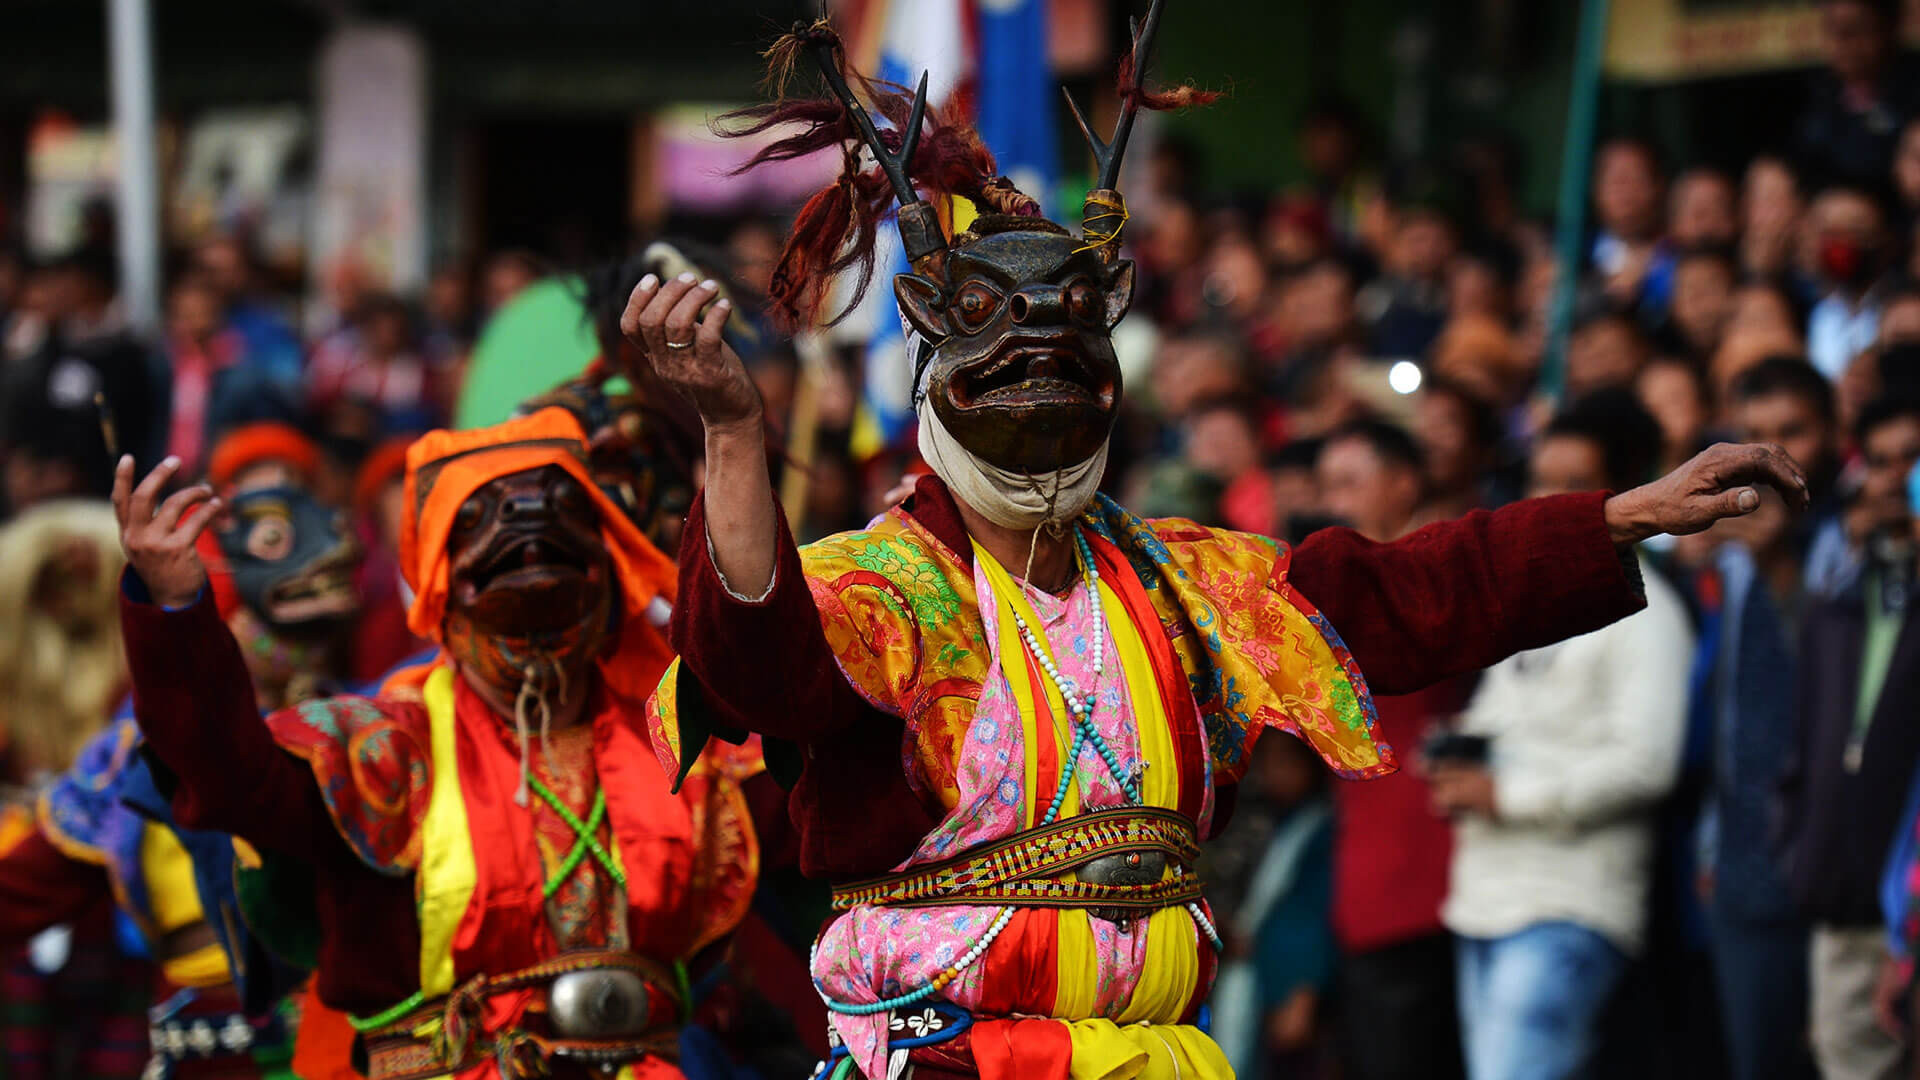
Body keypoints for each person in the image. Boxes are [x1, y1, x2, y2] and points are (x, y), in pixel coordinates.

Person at [633, 22, 1810, 1080]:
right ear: (935, 374)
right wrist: (735, 433)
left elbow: (1405, 596)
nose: (1045, 355)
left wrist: (1620, 516)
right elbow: (762, 668)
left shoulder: (1193, 581)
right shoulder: (879, 587)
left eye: (1075, 331)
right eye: (1002, 335)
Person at [111, 402, 767, 1080]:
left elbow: (812, 762)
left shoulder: (680, 744)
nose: (530, 543)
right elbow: (224, 775)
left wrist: (734, 435)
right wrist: (175, 610)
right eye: (484, 526)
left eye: (559, 535)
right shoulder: (378, 749)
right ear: (441, 582)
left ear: (606, 567)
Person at [1434, 391, 1694, 1080]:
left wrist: (1507, 794)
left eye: (1571, 484)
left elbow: (1648, 764)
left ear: (1626, 494)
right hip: (1483, 900)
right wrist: (1458, 755)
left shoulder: (1652, 616)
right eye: (1539, 479)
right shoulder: (1527, 605)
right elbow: (1498, 723)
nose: (1546, 499)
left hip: (1572, 904)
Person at [1315, 419, 1472, 1080]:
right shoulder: (1319, 598)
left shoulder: (1449, 575)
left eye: (1351, 482)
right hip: (1369, 887)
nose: (1334, 504)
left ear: (1406, 483)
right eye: (1327, 487)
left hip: (1435, 876)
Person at [1780, 395, 1920, 1080]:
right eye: (1882, 462)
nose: (1896, 480)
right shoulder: (1836, 602)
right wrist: (1800, 853)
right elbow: (1800, 742)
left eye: (1913, 461)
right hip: (1843, 901)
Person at [1795, 0, 1920, 191]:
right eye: (1833, 28)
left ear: (1888, 29)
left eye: (1855, 29)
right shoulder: (1816, 97)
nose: (1842, 42)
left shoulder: (1911, 95)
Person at [1807, 185, 1894, 382]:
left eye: (1856, 231)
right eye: (1832, 232)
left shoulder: (1901, 307)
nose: (1843, 243)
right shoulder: (1798, 308)